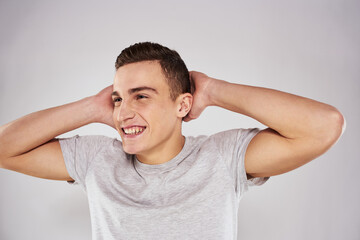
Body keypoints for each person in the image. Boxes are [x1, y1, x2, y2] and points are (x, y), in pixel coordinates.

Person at [0, 42, 345, 239]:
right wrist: (93, 107)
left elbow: (324, 126)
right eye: (119, 98)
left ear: (182, 105)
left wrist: (212, 90)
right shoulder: (95, 159)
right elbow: (5, 147)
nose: (123, 113)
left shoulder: (221, 157)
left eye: (142, 96)